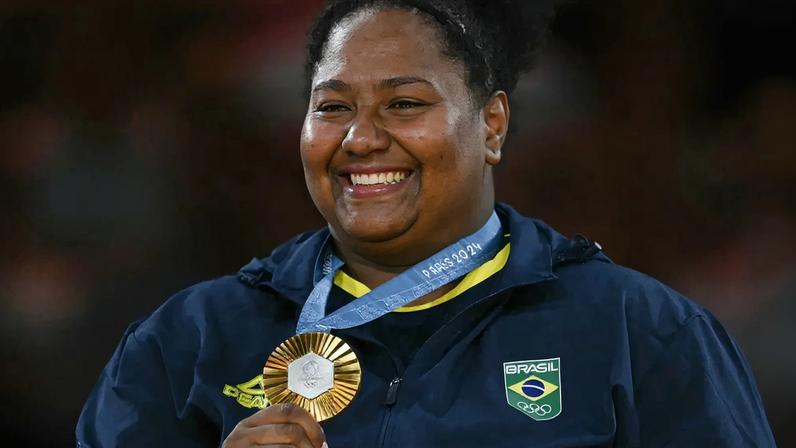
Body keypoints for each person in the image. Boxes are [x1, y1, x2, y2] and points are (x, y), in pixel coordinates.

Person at [77, 0, 776, 446]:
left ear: (492, 125)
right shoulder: (189, 340)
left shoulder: (638, 331)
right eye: (332, 106)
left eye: (405, 104)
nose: (361, 138)